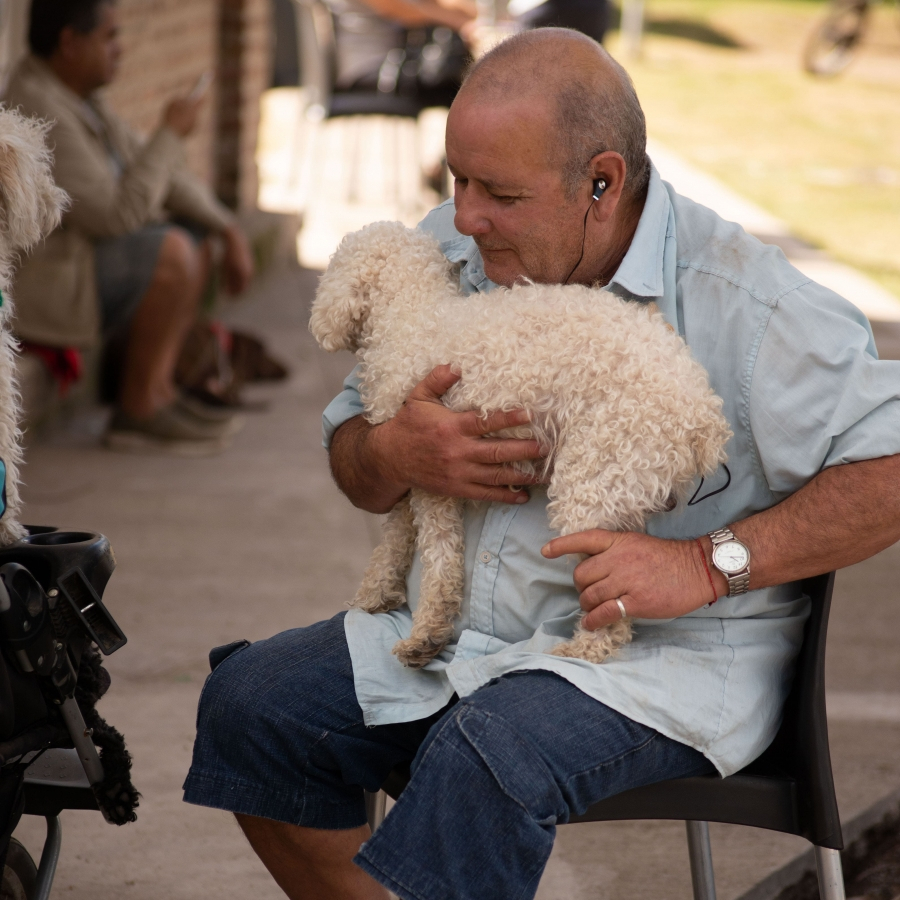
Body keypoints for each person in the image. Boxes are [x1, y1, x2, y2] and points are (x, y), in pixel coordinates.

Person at [183, 29, 900, 900]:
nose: (466, 214)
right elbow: (351, 464)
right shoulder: (447, 251)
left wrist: (706, 564)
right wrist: (394, 449)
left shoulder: (753, 306)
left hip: (657, 665)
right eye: (457, 180)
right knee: (253, 706)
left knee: (489, 752)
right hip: (458, 642)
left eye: (501, 194)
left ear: (602, 183)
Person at [5, 0, 255, 453]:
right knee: (173, 251)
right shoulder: (41, 108)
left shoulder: (81, 96)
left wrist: (228, 228)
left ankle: (159, 395)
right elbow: (116, 215)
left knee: (195, 239)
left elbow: (161, 173)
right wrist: (171, 134)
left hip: (80, 266)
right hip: (46, 286)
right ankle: (137, 408)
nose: (121, 49)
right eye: (110, 37)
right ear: (69, 43)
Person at [327, 0, 476, 109]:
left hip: (395, 61)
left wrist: (473, 16)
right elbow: (405, 12)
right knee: (458, 88)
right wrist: (463, 23)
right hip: (371, 68)